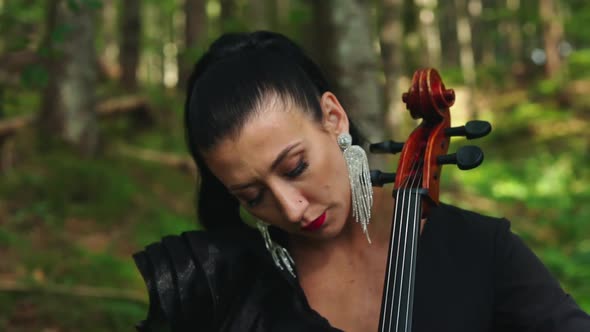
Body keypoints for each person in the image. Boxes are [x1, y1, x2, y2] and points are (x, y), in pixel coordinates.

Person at [133, 31, 590, 332]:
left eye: (295, 169)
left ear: (333, 117)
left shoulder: (481, 250)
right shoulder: (214, 282)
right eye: (253, 197)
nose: (291, 209)